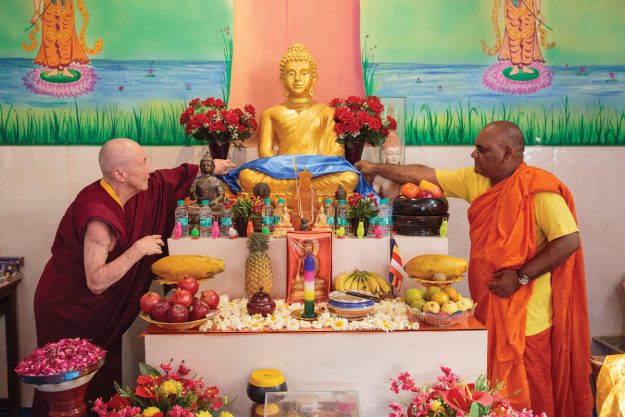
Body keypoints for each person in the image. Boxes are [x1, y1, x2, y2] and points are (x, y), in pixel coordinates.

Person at [355, 121, 592, 417]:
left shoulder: (537, 189)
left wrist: (521, 277)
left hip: (528, 318)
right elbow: (421, 174)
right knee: (491, 389)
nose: (473, 154)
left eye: (482, 149)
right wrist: (376, 167)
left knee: (529, 392)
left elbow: (569, 240)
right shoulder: (477, 180)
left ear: (507, 153)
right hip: (490, 305)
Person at [32, 138, 235, 417]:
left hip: (100, 312)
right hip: (69, 306)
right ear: (119, 174)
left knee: (102, 375)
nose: (149, 169)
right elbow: (96, 281)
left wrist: (204, 170)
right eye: (142, 163)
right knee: (68, 383)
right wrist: (138, 249)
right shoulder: (98, 218)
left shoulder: (133, 191)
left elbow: (165, 180)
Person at [223, 43, 374, 196]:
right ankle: (304, 190)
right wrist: (285, 170)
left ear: (314, 78)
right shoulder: (271, 113)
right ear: (282, 79)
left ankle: (289, 193)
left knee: (349, 178)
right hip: (282, 172)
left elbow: (335, 153)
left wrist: (311, 169)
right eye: (291, 73)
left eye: (304, 73)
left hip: (317, 172)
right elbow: (265, 153)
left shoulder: (328, 113)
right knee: (247, 176)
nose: (297, 79)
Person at [29, 0, 90, 77]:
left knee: (66, 40)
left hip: (66, 10)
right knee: (49, 40)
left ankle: (65, 69)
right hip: (49, 11)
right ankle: (54, 69)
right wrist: (37, 13)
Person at [189, 151, 225, 216]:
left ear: (213, 167)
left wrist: (215, 201)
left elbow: (221, 195)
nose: (206, 167)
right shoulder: (197, 180)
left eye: (208, 165)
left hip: (212, 206)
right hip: (200, 206)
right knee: (191, 208)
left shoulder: (217, 181)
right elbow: (193, 198)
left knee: (221, 207)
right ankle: (209, 216)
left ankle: (203, 216)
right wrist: (192, 192)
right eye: (203, 165)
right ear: (200, 167)